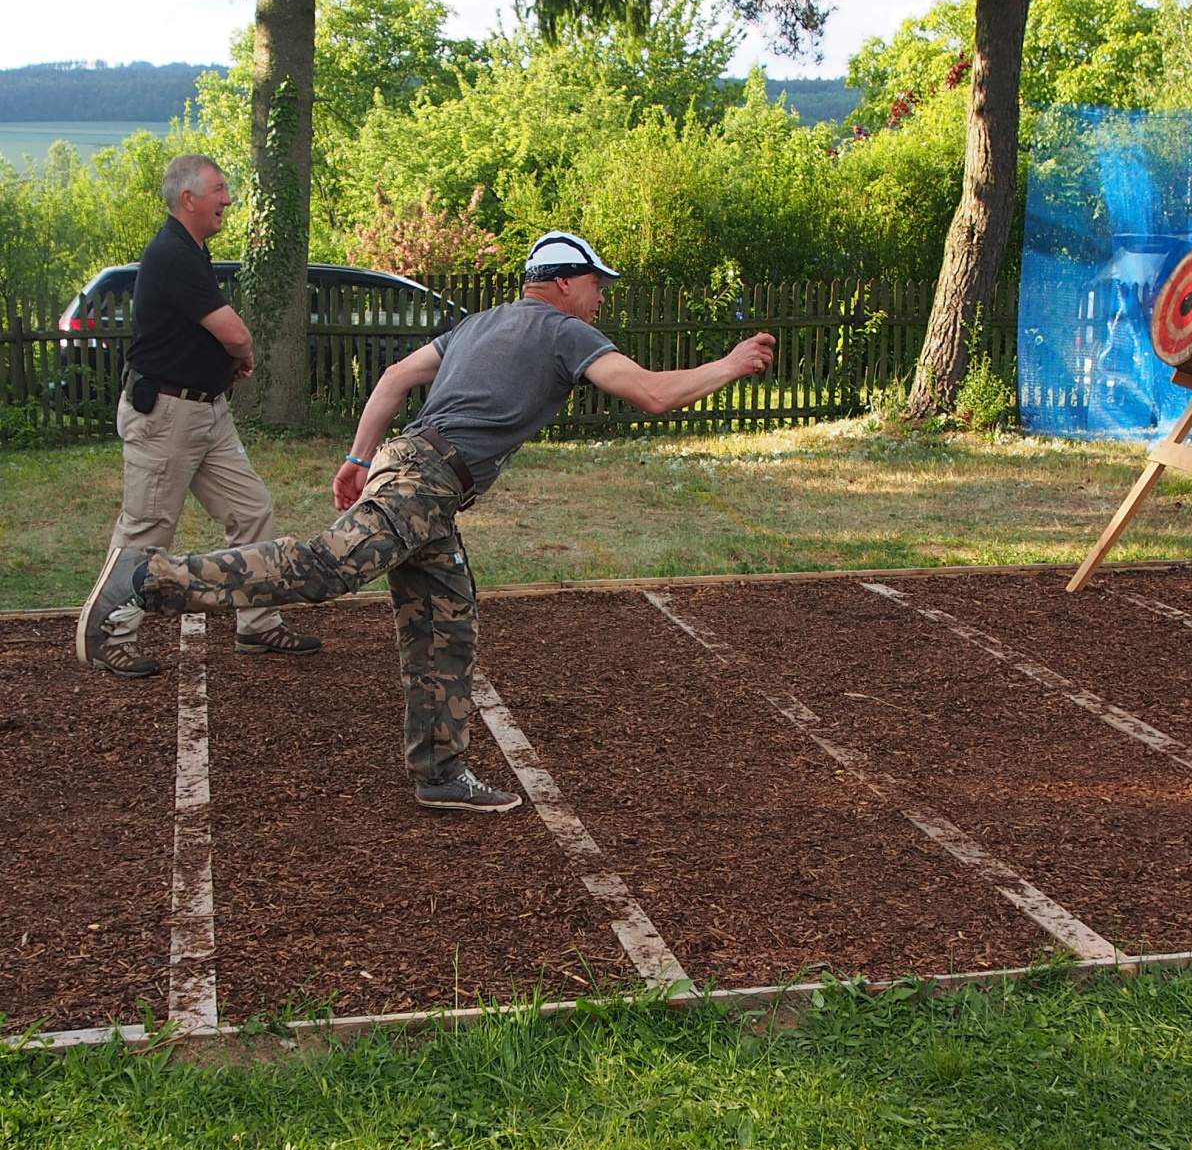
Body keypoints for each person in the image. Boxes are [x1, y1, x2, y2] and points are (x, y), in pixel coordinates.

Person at [77, 230, 776, 813]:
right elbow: (651, 394)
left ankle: (440, 773)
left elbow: (393, 380)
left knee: (446, 621)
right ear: (564, 282)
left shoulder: (478, 323)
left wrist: (359, 458)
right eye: (597, 284)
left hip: (417, 472)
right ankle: (147, 577)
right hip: (427, 479)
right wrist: (730, 363)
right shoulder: (564, 331)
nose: (601, 297)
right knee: (327, 567)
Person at [86, 152, 320, 677]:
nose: (227, 200)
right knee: (147, 529)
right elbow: (233, 332)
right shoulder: (171, 252)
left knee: (251, 510)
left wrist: (223, 365)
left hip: (207, 413)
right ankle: (109, 637)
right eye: (219, 190)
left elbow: (203, 333)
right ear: (188, 198)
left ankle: (257, 623)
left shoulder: (191, 251)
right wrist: (242, 353)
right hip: (167, 416)